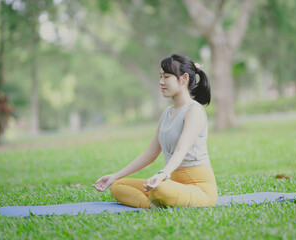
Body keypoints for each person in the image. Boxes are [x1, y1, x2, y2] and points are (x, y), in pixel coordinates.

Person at [93, 54, 218, 209]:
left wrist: (162, 174)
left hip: (201, 191)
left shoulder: (194, 111)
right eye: (160, 76)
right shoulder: (166, 113)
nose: (161, 81)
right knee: (119, 186)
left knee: (160, 189)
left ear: (184, 78)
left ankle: (158, 198)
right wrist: (114, 176)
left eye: (166, 76)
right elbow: (149, 156)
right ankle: (154, 205)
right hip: (176, 186)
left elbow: (180, 151)